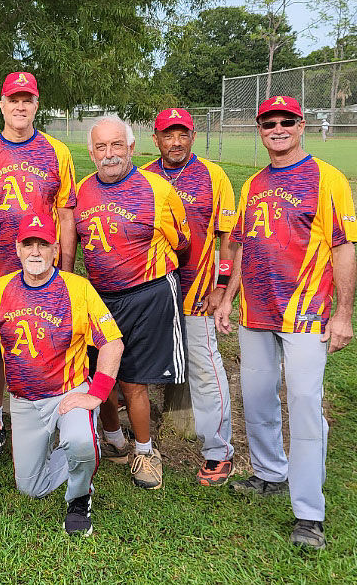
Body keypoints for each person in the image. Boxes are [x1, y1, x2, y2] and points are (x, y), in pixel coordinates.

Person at [216, 95, 357, 551]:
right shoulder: (253, 183)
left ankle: (309, 513)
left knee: (303, 404)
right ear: (260, 130)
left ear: (301, 126)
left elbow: (343, 248)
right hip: (256, 310)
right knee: (258, 398)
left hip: (306, 312)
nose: (277, 128)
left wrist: (343, 314)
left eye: (286, 121)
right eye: (268, 122)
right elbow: (242, 245)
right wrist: (227, 298)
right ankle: (269, 473)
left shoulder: (327, 178)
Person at [0, 212, 123, 535]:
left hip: (68, 392)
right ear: (17, 248)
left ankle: (80, 498)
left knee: (80, 441)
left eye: (43, 244)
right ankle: (82, 451)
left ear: (56, 249)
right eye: (28, 244)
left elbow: (113, 343)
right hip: (23, 399)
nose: (35, 252)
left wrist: (95, 395)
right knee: (31, 487)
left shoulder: (78, 289)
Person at [73, 115, 190, 491]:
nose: (109, 154)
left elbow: (182, 243)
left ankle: (145, 450)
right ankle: (113, 440)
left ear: (132, 148)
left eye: (117, 145)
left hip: (147, 293)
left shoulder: (158, 190)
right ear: (91, 152)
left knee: (134, 381)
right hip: (100, 297)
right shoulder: (81, 192)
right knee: (100, 376)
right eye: (101, 147)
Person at [0, 72, 77, 456]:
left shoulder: (56, 151)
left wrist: (66, 270)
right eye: (13, 100)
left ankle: (43, 420)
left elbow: (65, 214)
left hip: (44, 269)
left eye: (27, 100)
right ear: (1, 105)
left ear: (36, 105)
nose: (20, 107)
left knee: (44, 341)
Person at [141, 108, 237, 486]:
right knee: (137, 360)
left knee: (204, 366)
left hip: (197, 289)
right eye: (168, 135)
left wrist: (221, 286)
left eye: (183, 134)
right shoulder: (144, 176)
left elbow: (228, 237)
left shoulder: (213, 175)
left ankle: (218, 452)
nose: (176, 142)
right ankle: (136, 439)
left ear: (194, 137)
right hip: (152, 289)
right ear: (156, 139)